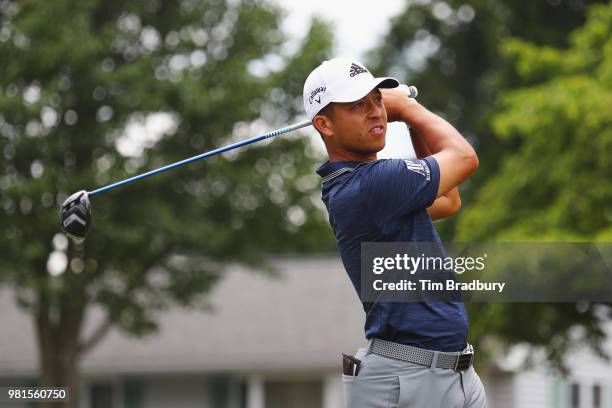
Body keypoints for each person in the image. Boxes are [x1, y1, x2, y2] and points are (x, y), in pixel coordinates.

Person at [303, 58, 486, 407]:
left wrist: (408, 121)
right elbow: (465, 158)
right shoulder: (374, 185)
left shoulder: (367, 186)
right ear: (324, 124)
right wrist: (408, 106)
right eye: (357, 105)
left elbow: (448, 201)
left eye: (376, 100)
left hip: (454, 372)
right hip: (410, 379)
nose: (375, 112)